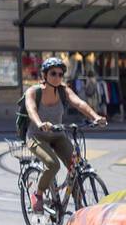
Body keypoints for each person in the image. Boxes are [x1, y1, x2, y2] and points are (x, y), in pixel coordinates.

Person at [23, 56, 106, 213]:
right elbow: (31, 109)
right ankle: (38, 194)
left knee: (75, 165)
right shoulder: (33, 92)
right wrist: (40, 124)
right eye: (53, 73)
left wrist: (96, 117)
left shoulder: (63, 90)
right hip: (37, 136)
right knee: (53, 164)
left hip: (58, 135)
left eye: (60, 74)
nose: (57, 77)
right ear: (44, 75)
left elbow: (80, 103)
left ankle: (79, 204)